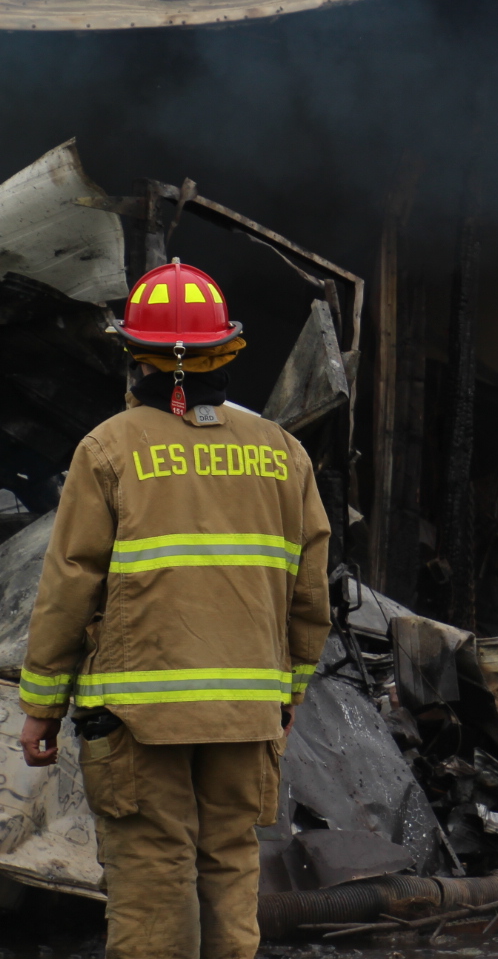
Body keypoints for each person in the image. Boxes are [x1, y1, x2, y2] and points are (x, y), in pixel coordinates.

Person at [15, 259, 331, 959]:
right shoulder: (284, 455)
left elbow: (70, 587)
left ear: (135, 357)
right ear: (227, 351)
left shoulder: (108, 450)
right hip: (247, 716)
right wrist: (291, 691)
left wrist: (41, 706)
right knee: (229, 863)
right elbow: (310, 596)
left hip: (136, 718)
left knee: (154, 873)